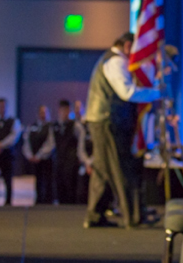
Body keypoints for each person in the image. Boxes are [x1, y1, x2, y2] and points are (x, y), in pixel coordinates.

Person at [83, 32, 161, 228]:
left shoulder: (108, 59)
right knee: (120, 169)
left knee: (102, 170)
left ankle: (94, 215)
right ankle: (132, 217)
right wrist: (156, 93)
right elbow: (127, 92)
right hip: (110, 121)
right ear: (127, 46)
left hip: (102, 120)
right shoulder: (116, 61)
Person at [22, 105, 55, 204]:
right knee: (38, 180)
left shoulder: (51, 127)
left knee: (48, 180)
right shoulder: (32, 126)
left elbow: (50, 143)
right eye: (41, 112)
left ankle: (49, 201)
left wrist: (39, 155)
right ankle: (38, 200)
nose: (43, 115)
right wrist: (30, 155)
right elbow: (26, 142)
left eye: (45, 112)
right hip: (34, 159)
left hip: (46, 159)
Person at [52, 99, 79, 204]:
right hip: (59, 160)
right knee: (59, 186)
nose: (64, 112)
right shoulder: (54, 126)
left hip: (71, 162)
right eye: (62, 110)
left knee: (71, 187)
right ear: (59, 110)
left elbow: (80, 144)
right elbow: (51, 144)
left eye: (66, 110)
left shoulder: (75, 126)